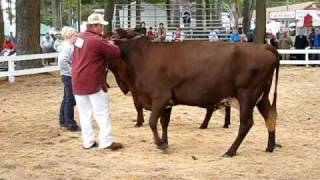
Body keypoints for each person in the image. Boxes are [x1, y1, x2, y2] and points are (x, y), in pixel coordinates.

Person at [72, 13, 123, 150]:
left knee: (84, 113)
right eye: (101, 26)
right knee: (102, 112)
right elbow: (116, 52)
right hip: (93, 81)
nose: (102, 29)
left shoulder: (79, 38)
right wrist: (110, 44)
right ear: (95, 26)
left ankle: (88, 141)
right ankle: (106, 141)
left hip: (77, 80)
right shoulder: (97, 40)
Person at [58, 26, 79, 131]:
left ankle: (63, 120)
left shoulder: (68, 45)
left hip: (66, 75)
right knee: (70, 99)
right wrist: (72, 72)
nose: (77, 36)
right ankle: (70, 124)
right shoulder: (68, 47)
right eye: (75, 35)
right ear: (70, 36)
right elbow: (62, 61)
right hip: (69, 76)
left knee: (67, 98)